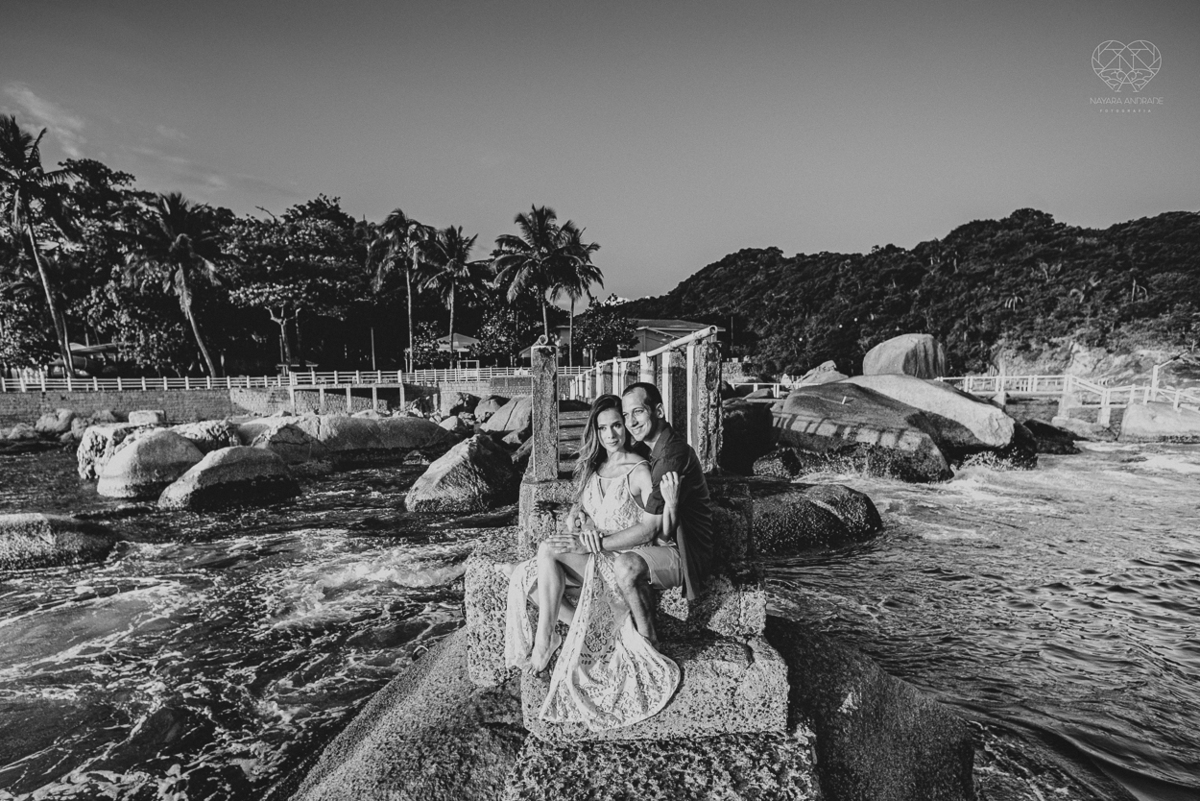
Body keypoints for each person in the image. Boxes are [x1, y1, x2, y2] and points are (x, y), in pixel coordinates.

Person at [502, 393, 681, 731]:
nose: (611, 434)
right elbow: (583, 509)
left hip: (617, 560)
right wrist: (577, 518)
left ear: (625, 427)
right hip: (593, 556)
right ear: (595, 432)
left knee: (546, 552)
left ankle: (544, 642)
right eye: (603, 428)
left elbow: (650, 530)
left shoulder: (639, 470)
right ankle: (579, 629)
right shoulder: (594, 468)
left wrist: (597, 542)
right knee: (525, 575)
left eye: (617, 426)